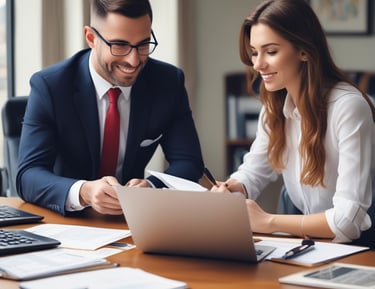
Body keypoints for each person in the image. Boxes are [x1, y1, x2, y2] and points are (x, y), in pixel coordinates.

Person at [17, 0, 204, 216]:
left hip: (131, 222)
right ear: (91, 38)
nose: (134, 61)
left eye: (143, 44)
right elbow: (27, 176)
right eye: (120, 45)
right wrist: (84, 192)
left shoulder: (168, 82)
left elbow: (189, 161)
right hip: (65, 221)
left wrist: (152, 188)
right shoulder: (50, 86)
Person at [212, 0, 375, 246]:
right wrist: (235, 188)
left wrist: (267, 221)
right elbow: (255, 169)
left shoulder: (348, 108)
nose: (257, 64)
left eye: (271, 51)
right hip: (307, 241)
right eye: (255, 52)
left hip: (360, 245)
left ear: (304, 51)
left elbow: (347, 221)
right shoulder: (275, 106)